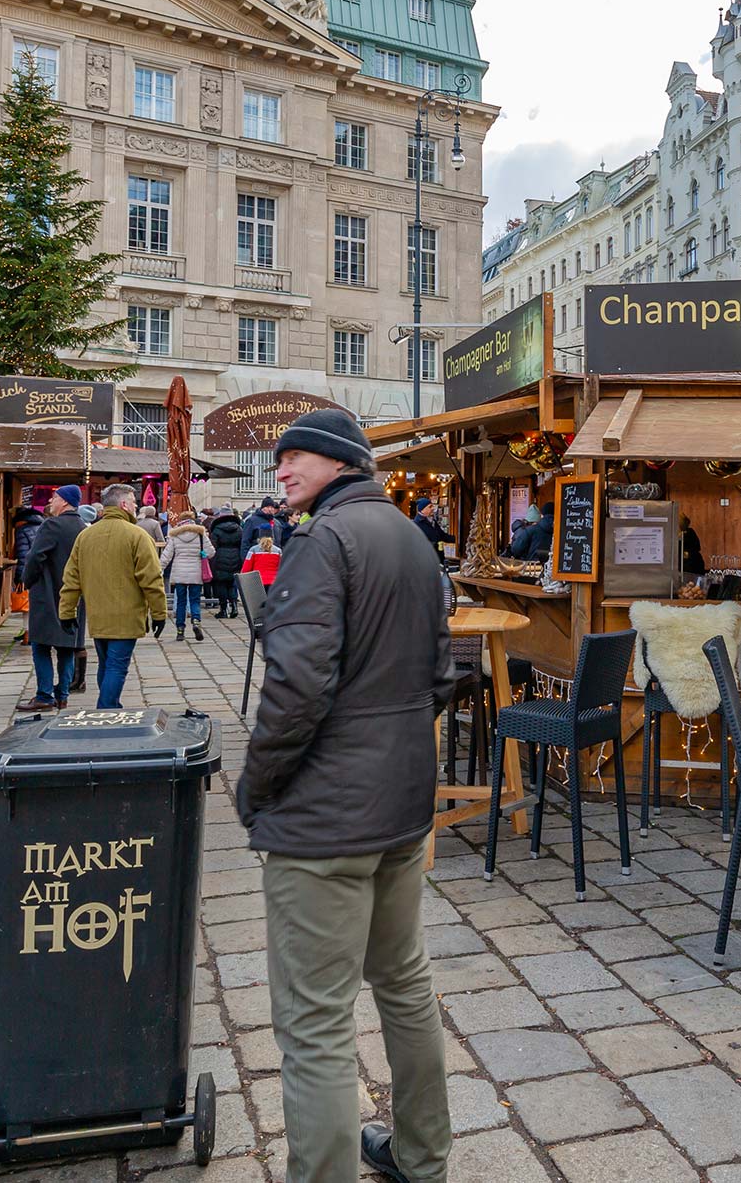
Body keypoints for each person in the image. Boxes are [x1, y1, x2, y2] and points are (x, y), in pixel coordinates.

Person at [237, 409, 455, 1183]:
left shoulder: (321, 542)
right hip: (400, 802)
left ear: (338, 463)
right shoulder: (409, 536)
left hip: (325, 818)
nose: (282, 469)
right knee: (403, 981)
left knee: (316, 1020)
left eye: (295, 456)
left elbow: (294, 691)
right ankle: (422, 1156)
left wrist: (256, 787)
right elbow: (438, 673)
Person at [59, 483, 167, 710]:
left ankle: (111, 705)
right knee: (117, 666)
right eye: (134, 503)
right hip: (126, 616)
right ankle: (106, 709)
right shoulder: (137, 536)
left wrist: (66, 612)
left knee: (106, 664)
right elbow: (152, 579)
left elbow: (71, 579)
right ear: (124, 504)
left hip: (98, 615)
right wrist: (159, 613)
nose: (137, 506)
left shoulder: (85, 536)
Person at [18, 486, 85, 712]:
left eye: (55, 497)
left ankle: (44, 695)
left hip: (48, 594)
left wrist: (27, 581)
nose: (51, 500)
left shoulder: (52, 525)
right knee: (66, 647)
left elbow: (36, 556)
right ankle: (63, 694)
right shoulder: (82, 528)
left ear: (65, 502)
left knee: (41, 646)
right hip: (74, 597)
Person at [160, 512, 216, 642]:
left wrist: (159, 569)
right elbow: (211, 552)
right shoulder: (201, 534)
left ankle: (180, 630)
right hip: (196, 572)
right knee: (195, 600)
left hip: (179, 572)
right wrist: (202, 554)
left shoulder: (175, 535)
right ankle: (196, 621)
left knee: (181, 601)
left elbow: (166, 556)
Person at [208, 507, 246, 618]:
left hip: (220, 557)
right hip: (235, 557)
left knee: (221, 584)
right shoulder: (239, 529)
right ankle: (234, 605)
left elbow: (213, 545)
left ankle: (223, 609)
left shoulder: (216, 529)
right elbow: (242, 544)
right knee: (232, 583)